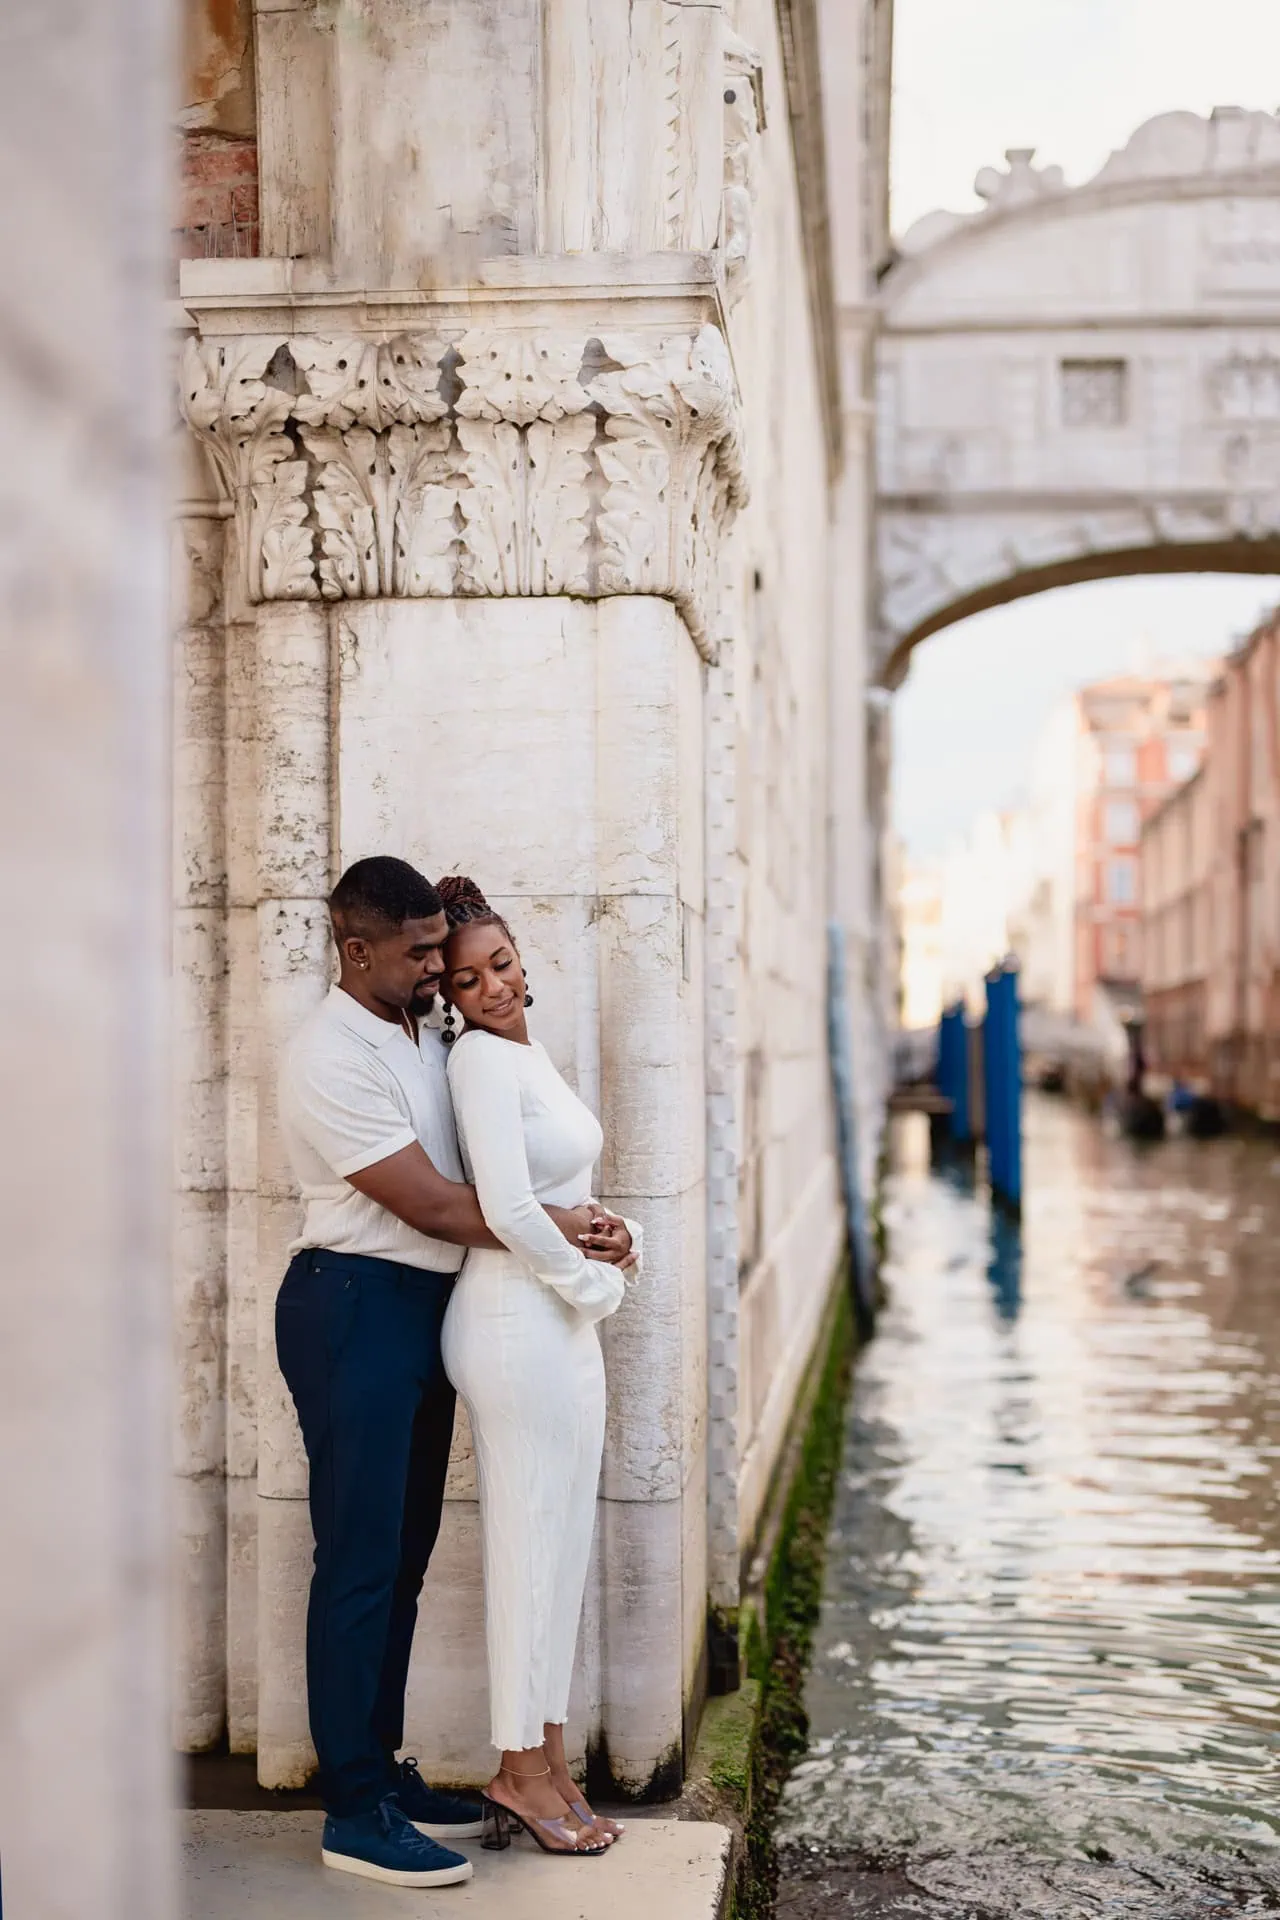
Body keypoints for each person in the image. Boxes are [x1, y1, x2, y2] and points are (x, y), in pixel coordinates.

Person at [274, 857, 633, 1889]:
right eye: (419, 951)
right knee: (356, 1559)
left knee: (406, 1551)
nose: (438, 968)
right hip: (352, 1303)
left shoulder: (424, 1027)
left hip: (427, 1308)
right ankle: (352, 1808)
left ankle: (383, 1774)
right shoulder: (325, 1057)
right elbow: (432, 1205)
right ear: (355, 951)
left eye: (444, 947)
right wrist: (561, 1230)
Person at [436, 875, 641, 1859]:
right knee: (527, 1547)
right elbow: (509, 1210)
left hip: (557, 1318)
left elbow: (566, 1194)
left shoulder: (528, 1052)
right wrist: (591, 1287)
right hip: (516, 1327)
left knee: (558, 1554)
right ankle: (516, 1773)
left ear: (524, 961)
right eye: (470, 979)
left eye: (504, 964)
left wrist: (620, 1241)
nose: (494, 987)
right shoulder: (478, 1062)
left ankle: (549, 1762)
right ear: (447, 994)